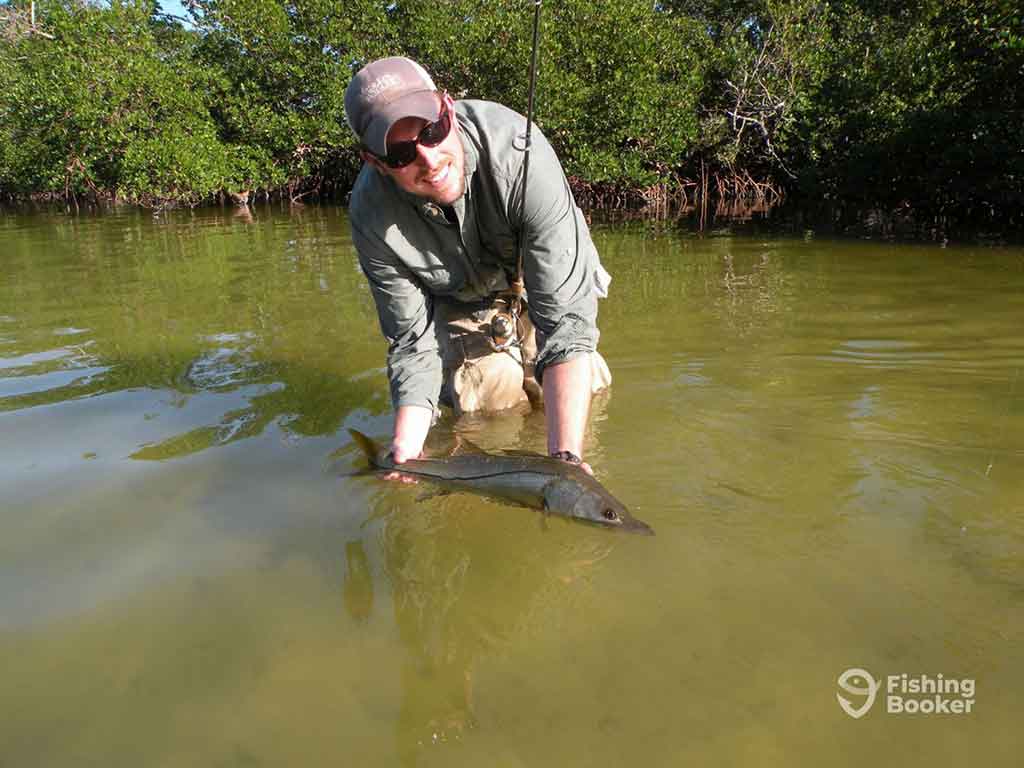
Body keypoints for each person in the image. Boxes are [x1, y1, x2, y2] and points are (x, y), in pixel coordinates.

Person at [344, 56, 612, 471]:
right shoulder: (370, 215)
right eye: (400, 153)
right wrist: (406, 450)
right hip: (459, 299)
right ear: (375, 162)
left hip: (541, 273)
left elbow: (566, 325)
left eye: (432, 131)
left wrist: (566, 464)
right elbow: (413, 343)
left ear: (447, 109)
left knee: (586, 386)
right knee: (491, 398)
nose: (429, 160)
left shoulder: (519, 150)